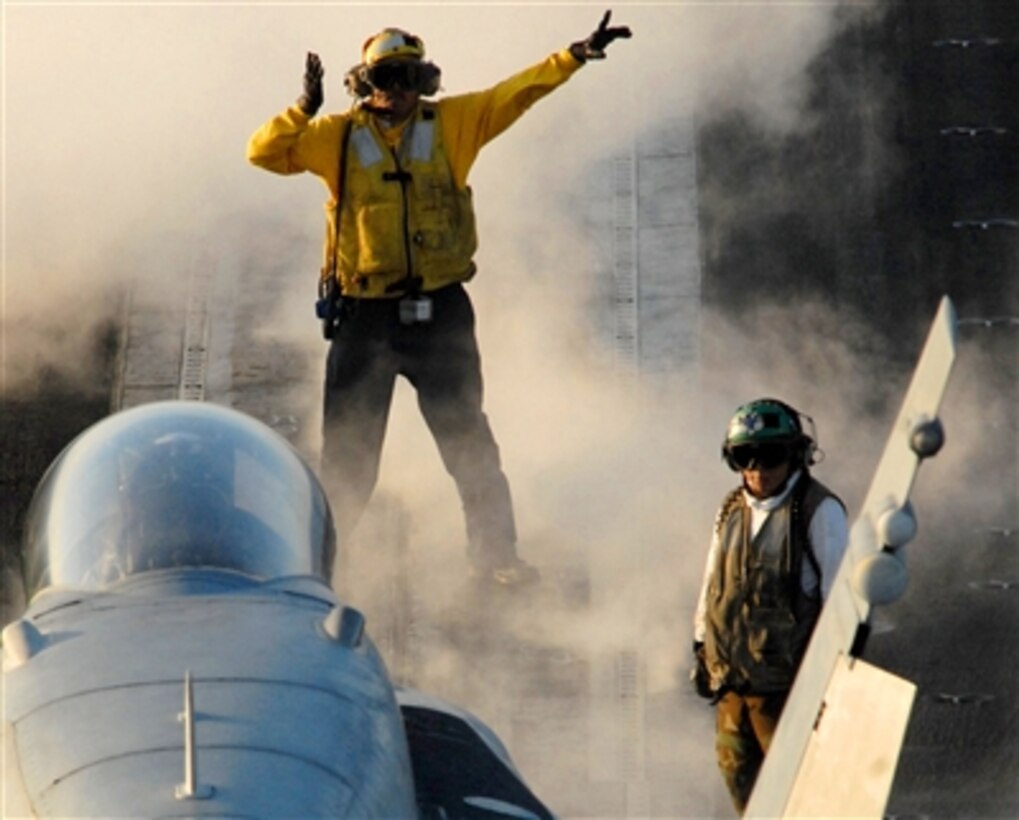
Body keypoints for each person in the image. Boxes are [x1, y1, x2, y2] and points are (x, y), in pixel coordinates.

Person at [247, 13, 630, 588]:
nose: (395, 89)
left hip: (440, 313)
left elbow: (516, 94)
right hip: (364, 316)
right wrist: (302, 106)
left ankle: (496, 559)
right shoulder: (335, 138)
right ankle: (319, 570)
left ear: (424, 80)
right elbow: (264, 153)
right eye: (383, 76)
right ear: (362, 81)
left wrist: (574, 55)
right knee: (349, 461)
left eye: (406, 76)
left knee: (467, 440)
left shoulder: (454, 124)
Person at [692, 398, 849, 814]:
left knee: (799, 800)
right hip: (732, 690)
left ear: (796, 454)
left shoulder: (818, 511)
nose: (758, 469)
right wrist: (700, 647)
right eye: (746, 456)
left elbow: (841, 605)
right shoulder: (730, 509)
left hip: (788, 695)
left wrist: (832, 685)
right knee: (746, 799)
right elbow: (713, 584)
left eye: (771, 455)